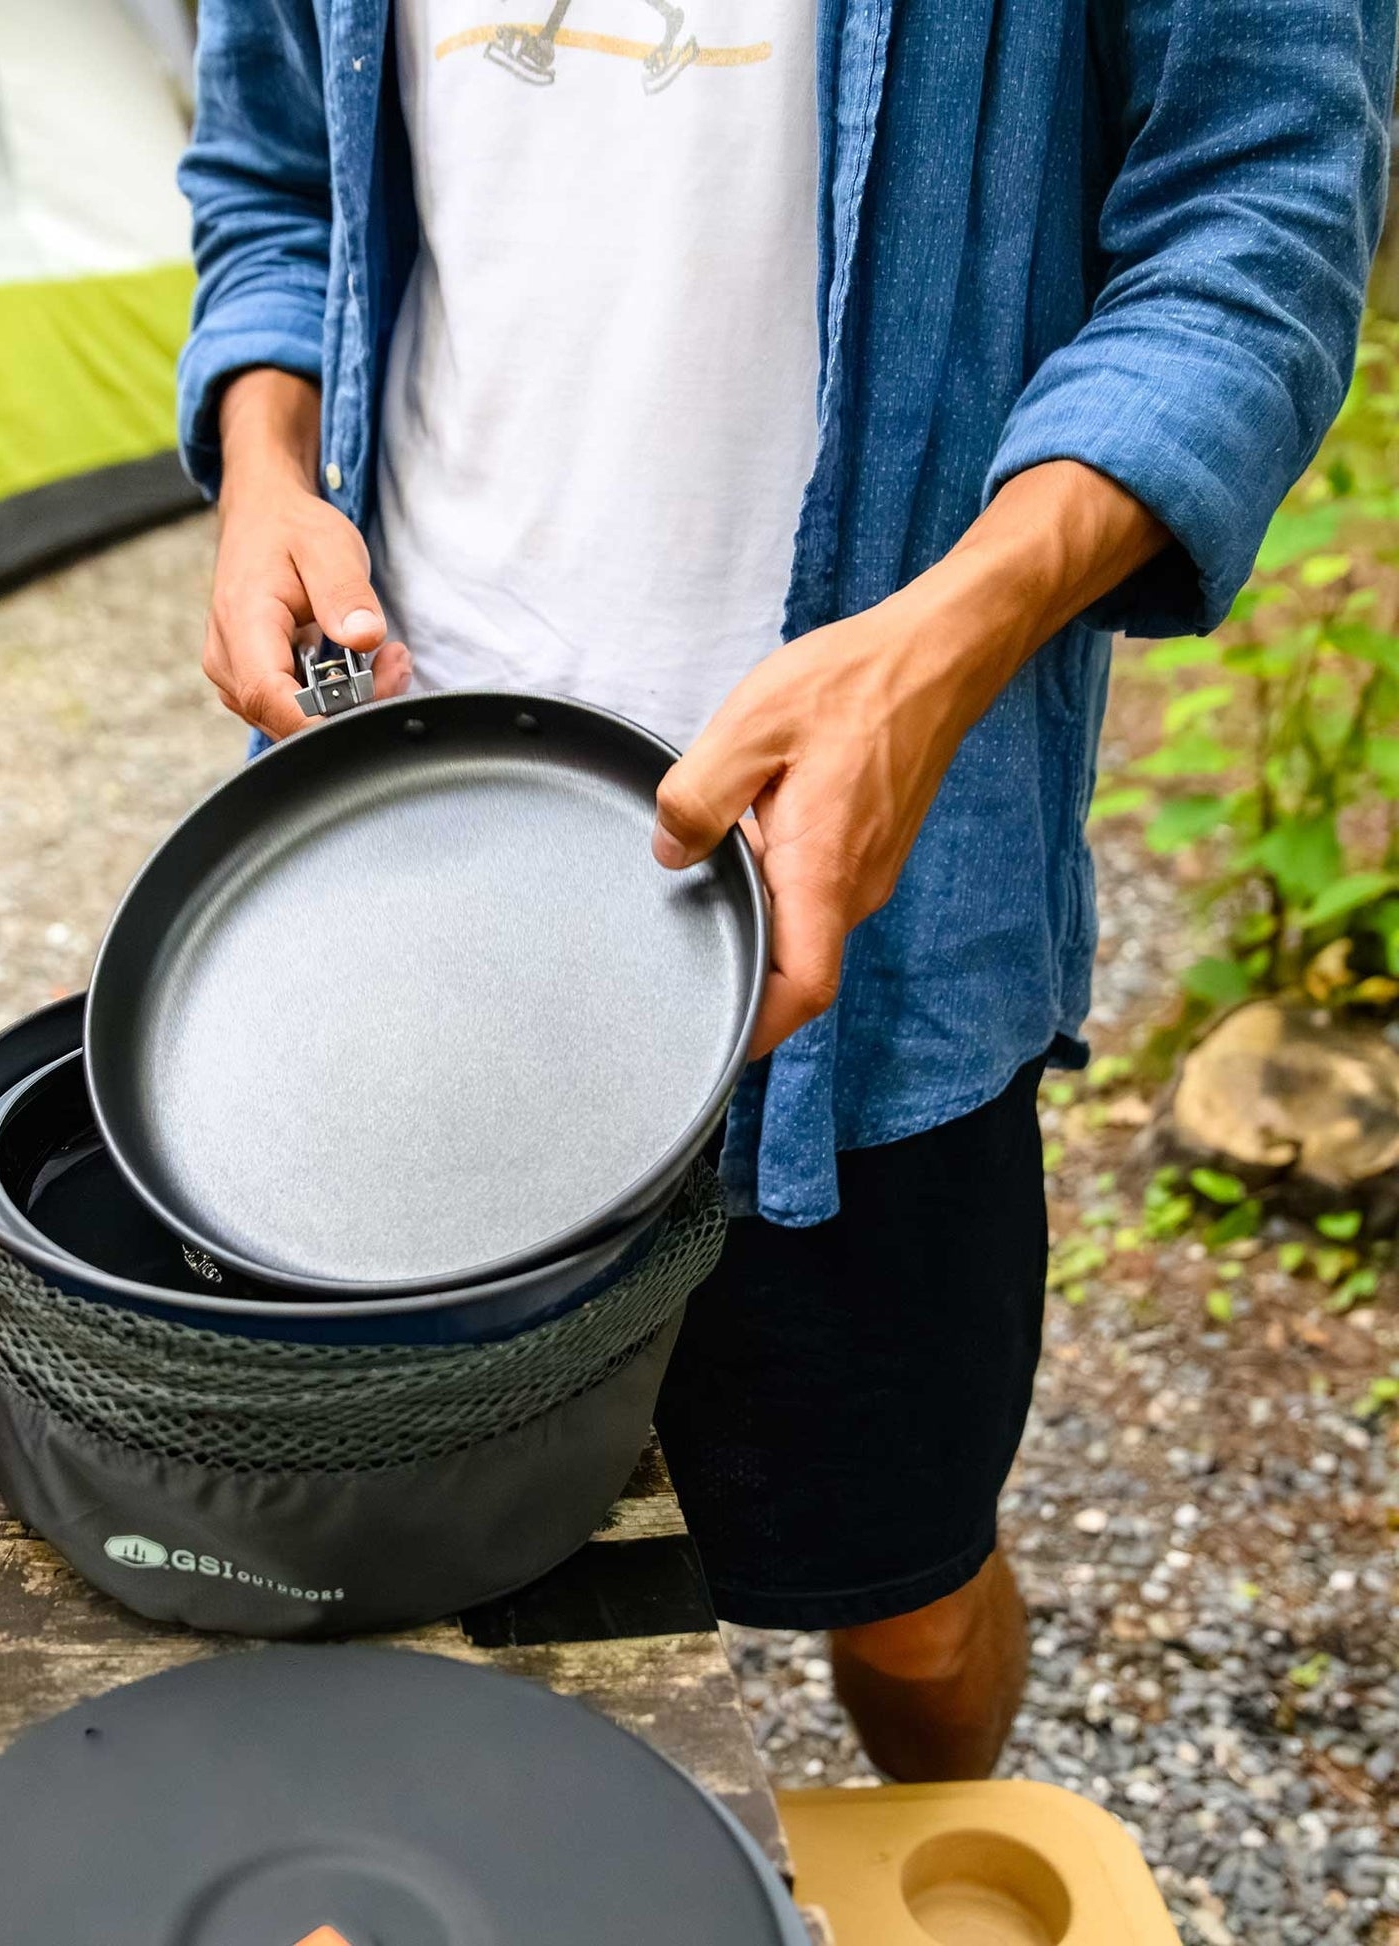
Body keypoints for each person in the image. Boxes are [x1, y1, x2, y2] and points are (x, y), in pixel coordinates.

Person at [175, 0, 1395, 1779]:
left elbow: (1257, 219)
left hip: (858, 912)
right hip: (391, 852)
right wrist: (265, 475)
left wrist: (936, 649)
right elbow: (273, 174)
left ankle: (947, 1836)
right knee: (414, 1580)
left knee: (894, 1584)